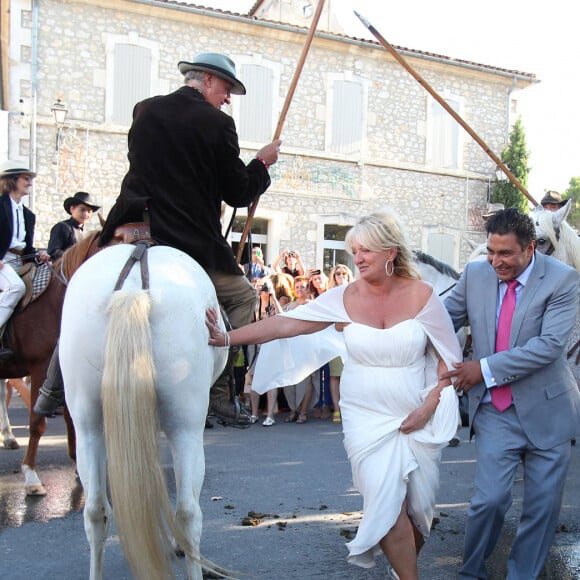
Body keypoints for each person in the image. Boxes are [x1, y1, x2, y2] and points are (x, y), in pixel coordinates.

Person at [206, 211, 462, 576]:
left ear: (390, 252)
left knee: (418, 511)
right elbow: (284, 324)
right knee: (386, 505)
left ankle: (401, 567)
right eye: (353, 250)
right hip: (364, 416)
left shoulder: (424, 296)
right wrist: (228, 338)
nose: (357, 258)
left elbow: (448, 364)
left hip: (415, 411)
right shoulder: (343, 297)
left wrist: (428, 408)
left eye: (366, 251)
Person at [35, 52, 281, 423]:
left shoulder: (144, 110)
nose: (228, 98)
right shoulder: (217, 123)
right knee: (243, 296)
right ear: (209, 80)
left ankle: (52, 387)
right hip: (186, 236)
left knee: (83, 292)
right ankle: (220, 393)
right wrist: (261, 164)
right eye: (227, 89)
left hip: (131, 226)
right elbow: (238, 192)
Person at [442, 208, 580, 579]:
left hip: (550, 411)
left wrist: (482, 370)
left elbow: (550, 345)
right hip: (495, 412)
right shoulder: (475, 274)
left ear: (531, 248)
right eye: (490, 251)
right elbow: (442, 319)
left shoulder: (563, 280)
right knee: (489, 500)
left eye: (505, 254)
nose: (495, 261)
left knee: (542, 508)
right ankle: (472, 573)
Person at [0, 160, 49, 359]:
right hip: (2, 260)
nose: (30, 182)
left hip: (19, 260)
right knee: (16, 288)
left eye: (30, 179)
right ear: (13, 180)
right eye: (26, 178)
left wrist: (39, 255)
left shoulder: (28, 214)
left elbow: (27, 247)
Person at [327, 264, 354, 423]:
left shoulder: (356, 292)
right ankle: (337, 410)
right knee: (335, 375)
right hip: (334, 338)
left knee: (351, 375)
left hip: (352, 338)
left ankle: (349, 410)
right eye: (338, 274)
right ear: (333, 277)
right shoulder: (329, 294)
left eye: (344, 273)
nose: (341, 276)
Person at [47, 191, 100, 259]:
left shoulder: (86, 233)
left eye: (89, 211)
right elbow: (53, 252)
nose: (86, 214)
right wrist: (76, 257)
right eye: (82, 210)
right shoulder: (62, 227)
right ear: (72, 209)